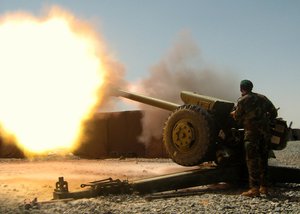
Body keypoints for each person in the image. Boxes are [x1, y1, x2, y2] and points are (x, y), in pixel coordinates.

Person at [231, 80, 278, 197]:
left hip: (252, 134)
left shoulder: (242, 100)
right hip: (265, 134)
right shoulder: (263, 98)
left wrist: (233, 114)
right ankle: (264, 187)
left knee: (252, 161)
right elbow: (273, 113)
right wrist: (265, 120)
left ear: (241, 88)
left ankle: (254, 189)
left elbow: (237, 117)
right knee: (263, 160)